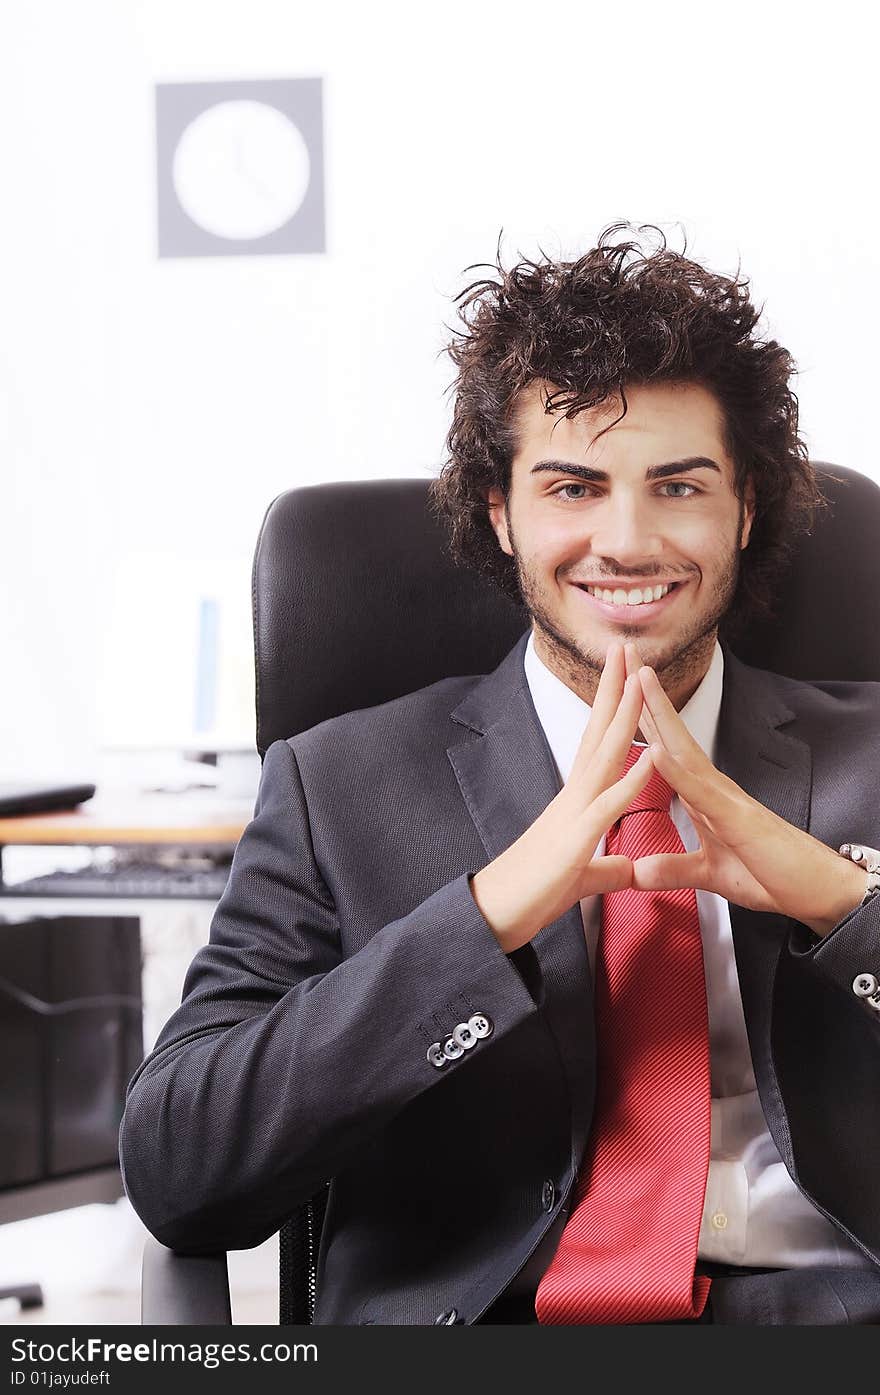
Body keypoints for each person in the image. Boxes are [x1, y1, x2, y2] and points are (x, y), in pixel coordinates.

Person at [119, 225, 880, 1325]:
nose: (625, 541)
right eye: (572, 488)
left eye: (679, 486)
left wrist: (842, 904)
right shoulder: (337, 788)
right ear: (498, 510)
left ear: (745, 508)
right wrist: (483, 920)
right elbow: (183, 1172)